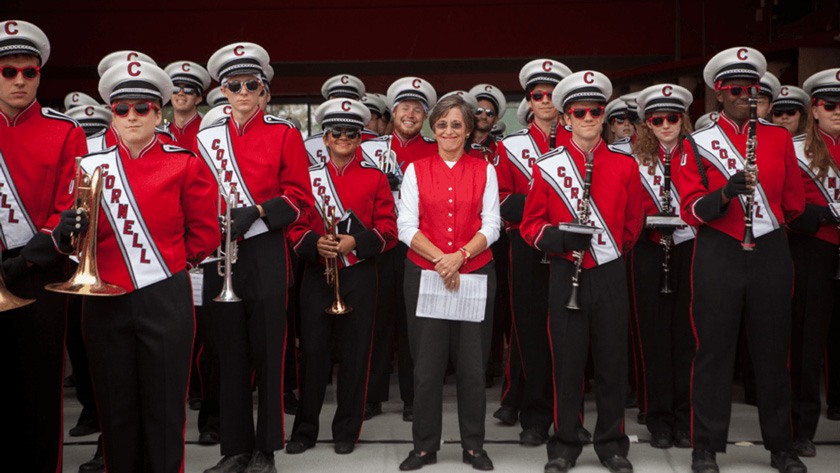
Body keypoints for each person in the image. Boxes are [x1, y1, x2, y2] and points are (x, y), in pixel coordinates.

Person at [68, 59, 219, 473]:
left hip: (164, 296)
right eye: (122, 109)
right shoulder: (89, 166)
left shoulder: (184, 162)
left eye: (142, 108)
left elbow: (205, 234)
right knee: (116, 411)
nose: (132, 116)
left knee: (165, 408)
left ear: (159, 112)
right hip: (103, 300)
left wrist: (165, 264)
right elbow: (75, 244)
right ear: (112, 114)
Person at [678, 47, 807, 473]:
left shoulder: (778, 137)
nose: (744, 95)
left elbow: (792, 203)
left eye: (751, 89)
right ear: (718, 92)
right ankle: (706, 447)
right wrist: (726, 194)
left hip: (769, 248)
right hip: (718, 250)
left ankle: (781, 446)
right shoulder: (697, 143)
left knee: (773, 351)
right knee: (713, 351)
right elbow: (691, 209)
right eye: (735, 89)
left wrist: (764, 220)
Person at [521, 70, 644, 473]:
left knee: (612, 363)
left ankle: (611, 444)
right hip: (563, 273)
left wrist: (607, 253)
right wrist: (560, 242)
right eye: (580, 112)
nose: (588, 118)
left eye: (596, 111)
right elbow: (530, 225)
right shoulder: (548, 165)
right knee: (567, 364)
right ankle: (564, 444)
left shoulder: (625, 165)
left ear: (604, 115)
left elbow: (632, 223)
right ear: (566, 117)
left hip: (608, 273)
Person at [198, 42, 313, 473]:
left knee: (268, 352)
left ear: (263, 89)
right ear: (223, 90)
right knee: (228, 353)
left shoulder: (284, 133)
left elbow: (300, 198)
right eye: (234, 85)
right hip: (220, 250)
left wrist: (258, 211)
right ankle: (235, 449)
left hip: (264, 248)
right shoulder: (206, 138)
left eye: (251, 84)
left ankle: (266, 449)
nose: (243, 92)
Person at [285, 98, 397, 455]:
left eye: (352, 132)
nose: (345, 137)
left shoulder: (376, 177)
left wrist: (354, 241)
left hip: (360, 275)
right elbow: (295, 227)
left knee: (355, 355)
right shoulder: (307, 177)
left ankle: (347, 430)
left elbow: (389, 231)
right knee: (314, 354)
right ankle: (304, 431)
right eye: (337, 132)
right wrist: (316, 244)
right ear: (326, 138)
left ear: (360, 138)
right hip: (317, 276)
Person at [0, 20, 88, 473]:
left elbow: (68, 208)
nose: (18, 80)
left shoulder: (65, 130)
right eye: (8, 70)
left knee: (37, 391)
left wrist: (21, 263)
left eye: (28, 72)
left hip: (38, 274)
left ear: (39, 75)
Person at [396, 94, 500, 471]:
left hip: (473, 271)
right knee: (426, 366)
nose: (449, 130)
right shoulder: (415, 170)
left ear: (469, 129)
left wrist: (461, 256)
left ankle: (473, 447)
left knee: (473, 367)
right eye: (442, 124)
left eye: (457, 124)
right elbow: (405, 226)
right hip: (426, 273)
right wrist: (442, 258)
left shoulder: (484, 169)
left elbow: (493, 224)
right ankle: (424, 447)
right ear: (432, 129)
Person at [494, 58, 572, 446]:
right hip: (526, 248)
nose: (544, 101)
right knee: (530, 333)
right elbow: (502, 203)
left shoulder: (581, 142)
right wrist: (545, 207)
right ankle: (536, 416)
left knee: (571, 334)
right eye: (536, 95)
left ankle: (569, 418)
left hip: (572, 250)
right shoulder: (511, 145)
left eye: (550, 94)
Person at [366, 76, 438, 422]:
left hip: (419, 247)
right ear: (392, 112)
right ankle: (372, 396)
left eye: (417, 109)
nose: (410, 113)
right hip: (379, 246)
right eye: (404, 107)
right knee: (376, 323)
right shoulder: (370, 148)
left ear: (425, 116)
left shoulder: (434, 149)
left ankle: (413, 397)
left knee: (415, 326)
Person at [629, 84, 696, 450]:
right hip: (649, 249)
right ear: (647, 123)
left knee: (687, 336)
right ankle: (658, 421)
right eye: (657, 119)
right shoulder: (632, 158)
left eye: (673, 117)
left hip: (689, 248)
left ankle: (686, 420)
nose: (666, 125)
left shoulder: (698, 155)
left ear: (683, 119)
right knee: (653, 337)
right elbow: (624, 207)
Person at [785, 68, 840, 458]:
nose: (837, 111)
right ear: (814, 110)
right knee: (806, 342)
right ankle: (801, 428)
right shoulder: (796, 148)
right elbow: (787, 206)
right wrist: (823, 215)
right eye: (830, 105)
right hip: (813, 250)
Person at [163, 60, 211, 147]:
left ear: (198, 98)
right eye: (175, 89)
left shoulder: (209, 131)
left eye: (188, 90)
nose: (181, 93)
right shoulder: (161, 133)